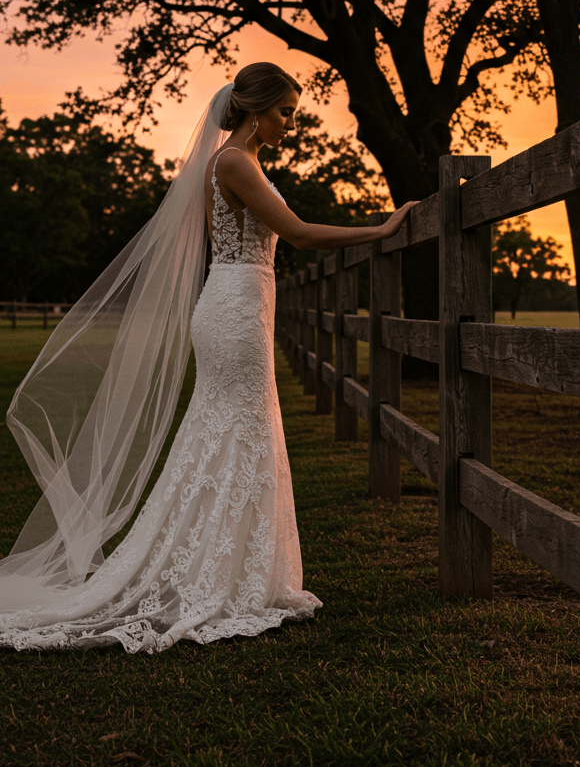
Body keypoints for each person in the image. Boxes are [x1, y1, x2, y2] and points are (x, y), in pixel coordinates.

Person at [0, 63, 416, 652]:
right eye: (285, 113)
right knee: (237, 428)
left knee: (233, 430)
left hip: (240, 303)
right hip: (235, 309)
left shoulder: (241, 162)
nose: (289, 124)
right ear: (255, 107)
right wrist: (381, 228)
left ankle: (235, 569)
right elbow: (297, 234)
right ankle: (215, 574)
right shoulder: (233, 163)